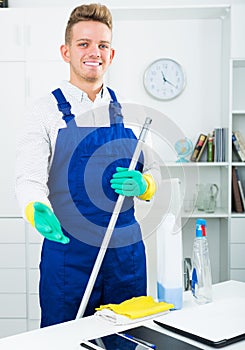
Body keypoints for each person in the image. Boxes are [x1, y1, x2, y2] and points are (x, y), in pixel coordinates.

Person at [15, 3, 158, 327]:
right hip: (69, 256)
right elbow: (29, 178)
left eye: (102, 45)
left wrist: (146, 185)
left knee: (127, 339)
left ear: (112, 53)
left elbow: (153, 173)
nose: (94, 52)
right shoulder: (44, 112)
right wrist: (34, 207)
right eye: (84, 44)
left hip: (126, 255)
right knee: (65, 340)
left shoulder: (130, 113)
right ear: (66, 52)